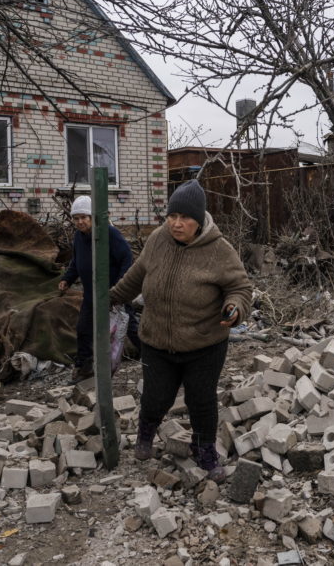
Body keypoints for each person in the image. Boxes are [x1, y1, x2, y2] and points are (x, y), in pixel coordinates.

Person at [109, 179, 251, 482]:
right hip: (157, 340)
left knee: (201, 400)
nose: (176, 223)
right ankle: (145, 434)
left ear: (198, 220)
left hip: (204, 344)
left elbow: (239, 287)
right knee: (155, 396)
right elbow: (136, 275)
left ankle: (205, 450)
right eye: (172, 216)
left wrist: (235, 308)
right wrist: (111, 298)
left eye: (184, 218)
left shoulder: (219, 250)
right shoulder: (158, 239)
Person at [58, 195, 140, 383]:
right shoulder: (79, 237)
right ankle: (84, 368)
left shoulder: (109, 234)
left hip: (115, 294)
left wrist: (120, 288)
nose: (80, 222)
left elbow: (127, 259)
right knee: (84, 329)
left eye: (84, 217)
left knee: (130, 329)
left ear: (93, 217)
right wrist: (67, 279)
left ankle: (153, 359)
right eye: (76, 218)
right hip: (90, 294)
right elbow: (76, 262)